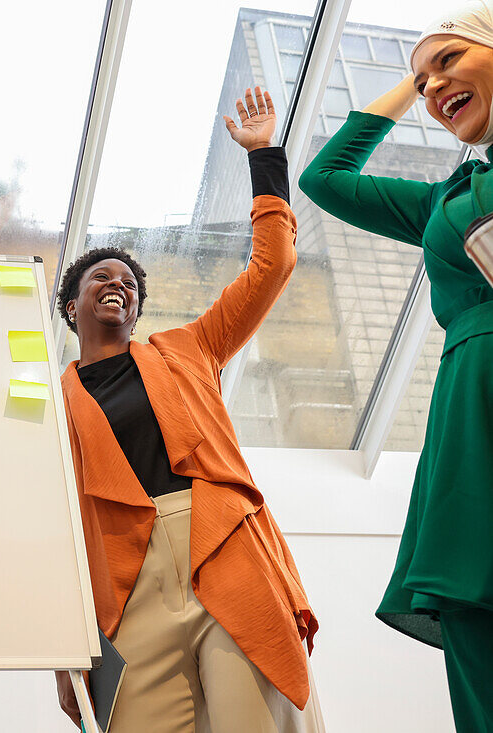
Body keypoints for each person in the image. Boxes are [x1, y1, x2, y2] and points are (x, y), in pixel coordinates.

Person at [54, 88, 323, 733]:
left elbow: (272, 266)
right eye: (100, 277)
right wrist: (62, 649)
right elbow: (52, 529)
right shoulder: (48, 407)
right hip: (124, 582)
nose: (117, 283)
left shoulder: (190, 349)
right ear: (72, 308)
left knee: (255, 719)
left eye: (128, 281)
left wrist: (263, 161)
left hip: (221, 543)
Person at [298, 2, 493, 729]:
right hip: (469, 407)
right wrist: (412, 92)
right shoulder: (446, 200)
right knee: (475, 611)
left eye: (449, 60)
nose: (434, 85)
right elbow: (326, 177)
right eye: (422, 78)